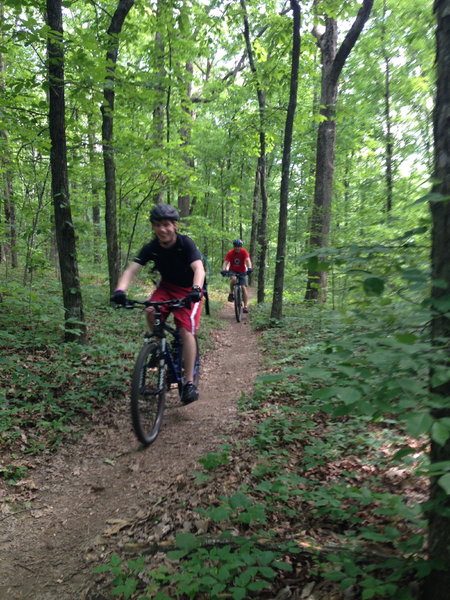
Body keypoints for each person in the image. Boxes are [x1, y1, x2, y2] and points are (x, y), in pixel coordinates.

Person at [110, 204, 205, 405]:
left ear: (175, 225)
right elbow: (130, 271)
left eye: (166, 225)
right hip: (167, 287)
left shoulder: (185, 243)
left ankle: (189, 383)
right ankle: (160, 346)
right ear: (153, 227)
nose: (162, 229)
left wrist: (196, 289)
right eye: (157, 225)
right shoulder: (151, 247)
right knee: (151, 310)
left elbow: (198, 268)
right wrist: (120, 291)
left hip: (189, 290)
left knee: (186, 331)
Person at [221, 239, 252, 313]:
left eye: (239, 246)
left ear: (241, 247)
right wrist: (224, 270)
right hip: (233, 270)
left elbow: (248, 260)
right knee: (234, 279)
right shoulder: (230, 253)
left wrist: (250, 267)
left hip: (242, 271)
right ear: (234, 247)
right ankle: (231, 293)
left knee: (244, 288)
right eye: (236, 246)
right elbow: (225, 262)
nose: (237, 248)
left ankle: (245, 306)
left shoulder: (244, 251)